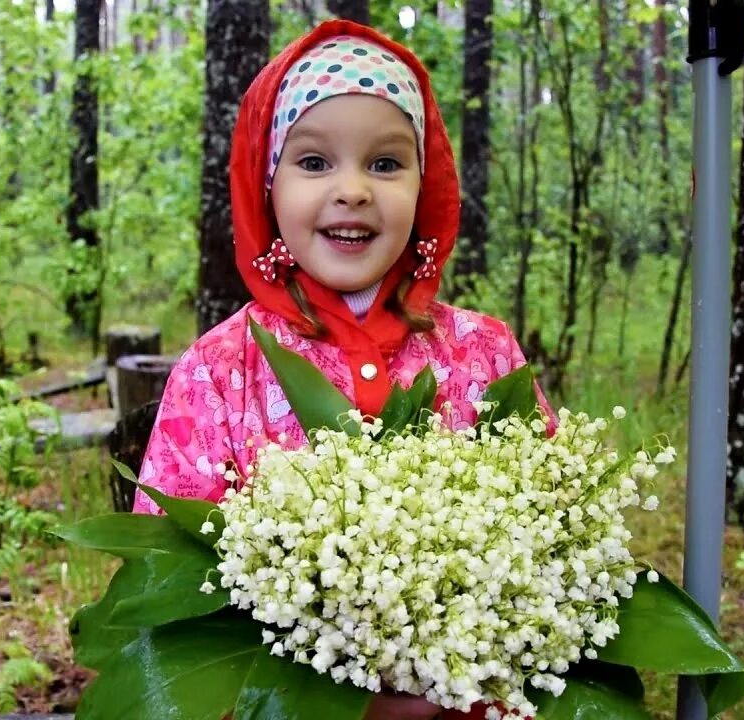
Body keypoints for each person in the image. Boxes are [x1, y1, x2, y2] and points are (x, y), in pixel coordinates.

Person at [133, 20, 549, 720]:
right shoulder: (218, 371)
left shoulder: (484, 354)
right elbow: (166, 584)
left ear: (427, 186)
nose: (353, 190)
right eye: (315, 162)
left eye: (385, 164)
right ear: (266, 185)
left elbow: (553, 543)